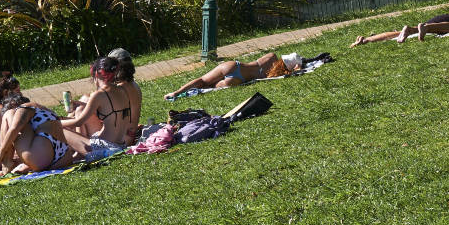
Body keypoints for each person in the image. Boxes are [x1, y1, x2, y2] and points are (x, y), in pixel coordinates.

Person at [60, 55, 143, 152]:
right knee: (79, 111)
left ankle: (77, 154)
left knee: (63, 130)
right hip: (121, 145)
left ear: (96, 74)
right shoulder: (122, 90)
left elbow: (79, 122)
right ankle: (77, 153)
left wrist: (56, 122)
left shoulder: (98, 95)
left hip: (104, 148)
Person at [0, 82, 79, 174]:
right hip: (63, 158)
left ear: (13, 104)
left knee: (8, 116)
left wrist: (2, 150)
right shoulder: (43, 110)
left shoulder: (23, 107)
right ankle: (14, 163)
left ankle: (6, 163)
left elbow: (15, 128)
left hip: (40, 156)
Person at [163, 51, 291, 99]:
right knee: (209, 87)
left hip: (236, 67)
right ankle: (179, 93)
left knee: (202, 80)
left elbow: (269, 55)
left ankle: (175, 93)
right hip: (237, 80)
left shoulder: (272, 57)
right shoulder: (272, 75)